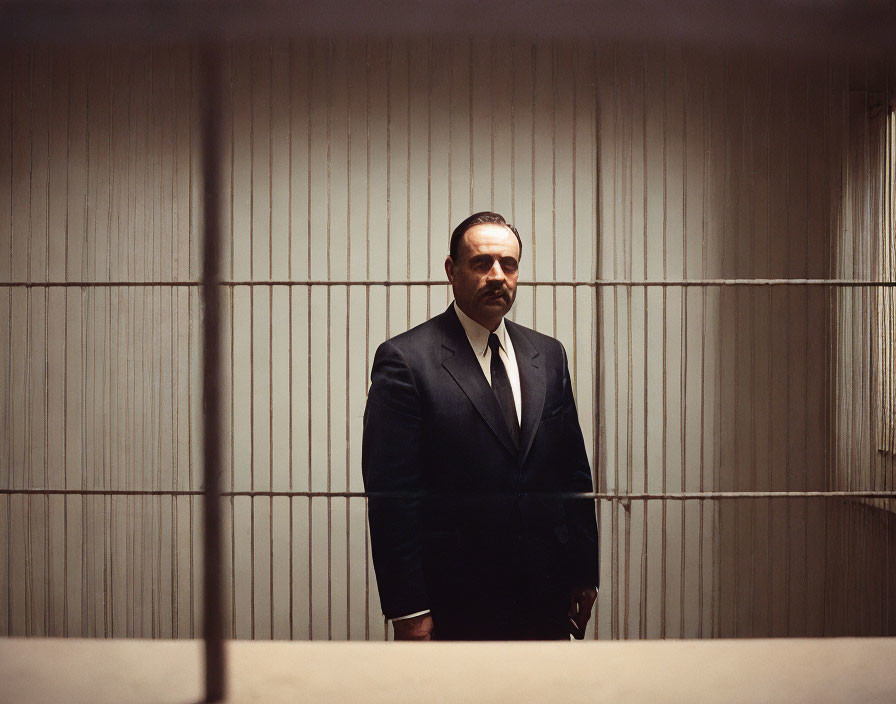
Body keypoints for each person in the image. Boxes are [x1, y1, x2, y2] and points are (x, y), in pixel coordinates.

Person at [362, 212, 599, 640]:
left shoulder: (548, 355)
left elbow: (573, 472)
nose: (497, 276)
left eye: (508, 264)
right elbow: (391, 498)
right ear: (452, 271)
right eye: (481, 263)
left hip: (545, 596)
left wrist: (584, 571)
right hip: (455, 602)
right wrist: (409, 609)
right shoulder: (406, 361)